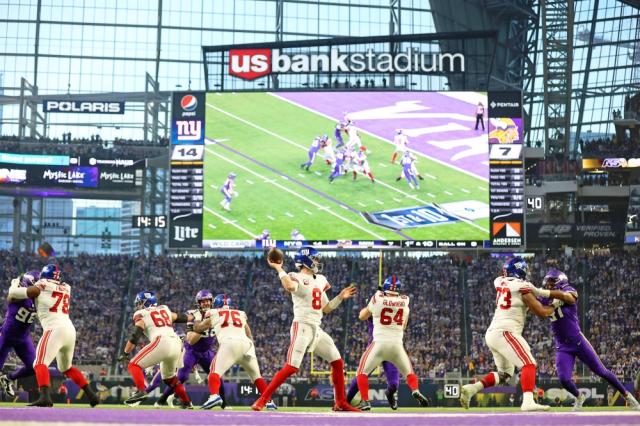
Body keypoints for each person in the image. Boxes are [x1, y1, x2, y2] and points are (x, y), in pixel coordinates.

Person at [251, 247, 359, 412]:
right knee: (292, 367)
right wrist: (279, 268)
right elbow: (288, 286)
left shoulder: (321, 279)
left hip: (316, 328)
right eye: (314, 259)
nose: (317, 262)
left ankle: (340, 402)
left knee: (337, 362)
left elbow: (326, 308)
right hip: (301, 326)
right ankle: (263, 399)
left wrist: (340, 297)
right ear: (306, 260)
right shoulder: (295, 276)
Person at [538, 269, 640, 411]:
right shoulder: (545, 297)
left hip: (578, 341)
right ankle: (579, 397)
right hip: (562, 346)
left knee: (602, 371)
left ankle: (627, 396)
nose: (548, 286)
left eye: (551, 282)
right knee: (564, 379)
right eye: (547, 283)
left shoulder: (568, 289)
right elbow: (539, 310)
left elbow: (570, 298)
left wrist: (543, 293)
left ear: (560, 281)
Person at [459, 257, 553, 411]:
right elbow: (542, 313)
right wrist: (556, 305)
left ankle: (472, 389)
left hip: (493, 333)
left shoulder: (499, 281)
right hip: (505, 332)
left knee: (504, 374)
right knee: (529, 363)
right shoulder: (522, 287)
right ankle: (528, 401)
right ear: (519, 270)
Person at [6, 264, 99, 407]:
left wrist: (14, 284)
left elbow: (14, 294)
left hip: (54, 329)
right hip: (69, 329)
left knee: (39, 363)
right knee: (66, 368)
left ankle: (45, 397)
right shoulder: (67, 287)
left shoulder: (42, 284)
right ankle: (92, 395)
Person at [354, 275, 429, 411]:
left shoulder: (377, 298)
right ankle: (415, 390)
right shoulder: (405, 301)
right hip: (397, 345)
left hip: (379, 344)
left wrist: (373, 304)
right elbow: (404, 325)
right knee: (409, 373)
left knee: (361, 373)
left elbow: (362, 316)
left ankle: (365, 401)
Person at [196, 294, 276, 410]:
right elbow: (248, 332)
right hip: (247, 345)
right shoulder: (240, 313)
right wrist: (250, 348)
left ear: (216, 304)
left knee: (214, 371)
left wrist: (197, 320)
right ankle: (269, 402)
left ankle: (214, 396)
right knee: (256, 376)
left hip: (229, 344)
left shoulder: (214, 313)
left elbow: (199, 328)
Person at [118, 291, 193, 408]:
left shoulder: (141, 313)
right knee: (170, 378)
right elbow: (182, 317)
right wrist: (194, 318)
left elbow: (135, 335)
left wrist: (125, 353)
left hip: (162, 341)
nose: (138, 306)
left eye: (140, 303)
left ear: (146, 302)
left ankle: (141, 391)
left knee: (133, 365)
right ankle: (186, 402)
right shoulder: (165, 309)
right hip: (176, 344)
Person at [154, 290, 226, 408]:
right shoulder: (193, 315)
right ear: (198, 303)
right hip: (192, 350)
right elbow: (191, 339)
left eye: (208, 301)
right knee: (181, 377)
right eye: (203, 302)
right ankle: (162, 399)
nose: (206, 304)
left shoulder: (217, 313)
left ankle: (224, 403)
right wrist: (204, 326)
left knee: (217, 375)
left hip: (207, 351)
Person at [346, 281, 400, 409]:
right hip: (378, 346)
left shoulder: (396, 306)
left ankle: (389, 393)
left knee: (393, 383)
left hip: (388, 347)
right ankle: (347, 400)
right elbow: (362, 315)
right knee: (361, 374)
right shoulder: (378, 305)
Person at [0, 271, 40, 398]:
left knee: (34, 366)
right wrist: (15, 282)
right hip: (7, 336)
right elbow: (10, 295)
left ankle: (8, 378)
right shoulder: (18, 293)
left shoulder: (39, 299)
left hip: (23, 338)